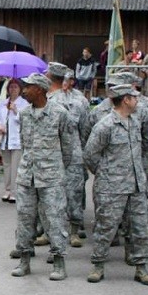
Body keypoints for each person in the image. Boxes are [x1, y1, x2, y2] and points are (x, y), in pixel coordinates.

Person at [83, 84, 148, 286]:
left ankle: (141, 267)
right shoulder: (105, 125)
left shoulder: (135, 122)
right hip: (111, 187)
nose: (137, 100)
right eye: (134, 97)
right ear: (125, 100)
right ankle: (98, 265)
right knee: (106, 227)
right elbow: (89, 154)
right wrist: (106, 174)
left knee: (139, 229)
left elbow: (145, 147)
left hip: (136, 186)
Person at [10, 73, 73, 281]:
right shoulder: (25, 114)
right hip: (27, 175)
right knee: (25, 218)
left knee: (55, 219)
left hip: (51, 176)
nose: (24, 90)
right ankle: (25, 260)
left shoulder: (59, 113)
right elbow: (24, 142)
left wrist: (55, 167)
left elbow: (68, 147)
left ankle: (58, 262)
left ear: (40, 89)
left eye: (27, 87)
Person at [47, 62, 88, 248]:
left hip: (73, 154)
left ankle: (74, 230)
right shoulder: (46, 99)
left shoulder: (80, 101)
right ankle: (50, 232)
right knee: (51, 195)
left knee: (74, 193)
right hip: (54, 154)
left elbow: (85, 129)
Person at [0, 78, 28, 202]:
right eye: (11, 87)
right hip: (5, 139)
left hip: (17, 139)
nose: (12, 89)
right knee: (7, 165)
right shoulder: (3, 103)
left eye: (15, 87)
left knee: (16, 166)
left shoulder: (24, 104)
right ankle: (7, 189)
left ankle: (15, 191)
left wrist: (15, 111)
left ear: (20, 89)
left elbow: (25, 120)